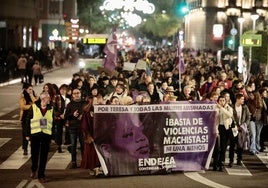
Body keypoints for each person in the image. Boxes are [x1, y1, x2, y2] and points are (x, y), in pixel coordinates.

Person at [25, 91, 54, 183]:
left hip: (46, 135)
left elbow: (53, 124)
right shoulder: (33, 107)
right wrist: (27, 134)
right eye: (48, 97)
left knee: (44, 156)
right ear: (43, 99)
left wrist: (52, 137)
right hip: (35, 135)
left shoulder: (51, 108)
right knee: (34, 155)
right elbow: (27, 121)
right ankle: (34, 169)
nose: (49, 99)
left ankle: (41, 175)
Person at [64, 88, 86, 168]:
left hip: (82, 127)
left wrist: (82, 116)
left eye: (78, 93)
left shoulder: (85, 103)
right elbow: (66, 116)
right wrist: (72, 115)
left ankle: (84, 161)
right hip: (73, 127)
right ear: (72, 95)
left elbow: (88, 113)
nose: (76, 94)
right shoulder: (70, 104)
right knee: (73, 145)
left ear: (80, 94)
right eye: (74, 93)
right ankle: (73, 162)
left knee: (83, 144)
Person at [80, 96, 102, 175]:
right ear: (91, 102)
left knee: (98, 153)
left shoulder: (101, 110)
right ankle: (92, 168)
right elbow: (84, 125)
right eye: (95, 101)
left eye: (98, 101)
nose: (97, 102)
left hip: (99, 135)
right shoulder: (87, 111)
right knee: (91, 152)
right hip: (90, 134)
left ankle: (98, 168)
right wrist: (88, 135)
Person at [229, 93, 250, 167]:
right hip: (234, 128)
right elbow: (230, 117)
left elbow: (248, 117)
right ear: (237, 99)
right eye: (242, 99)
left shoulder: (245, 107)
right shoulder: (231, 107)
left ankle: (239, 159)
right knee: (232, 144)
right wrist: (234, 125)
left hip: (242, 128)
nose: (243, 100)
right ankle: (231, 160)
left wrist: (244, 125)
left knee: (240, 145)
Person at [19, 83, 37, 155]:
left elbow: (36, 103)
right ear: (26, 89)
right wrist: (32, 106)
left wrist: (31, 95)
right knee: (25, 133)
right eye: (29, 89)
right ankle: (25, 148)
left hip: (33, 117)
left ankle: (33, 147)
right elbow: (23, 106)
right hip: (25, 117)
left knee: (33, 133)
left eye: (32, 89)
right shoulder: (22, 96)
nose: (31, 90)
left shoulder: (33, 95)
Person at [216, 95, 233, 171]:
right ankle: (217, 163)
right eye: (220, 100)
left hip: (226, 128)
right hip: (218, 127)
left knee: (223, 147)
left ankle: (221, 163)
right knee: (218, 147)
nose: (222, 102)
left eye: (223, 100)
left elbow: (229, 115)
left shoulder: (228, 108)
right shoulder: (216, 107)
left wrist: (222, 108)